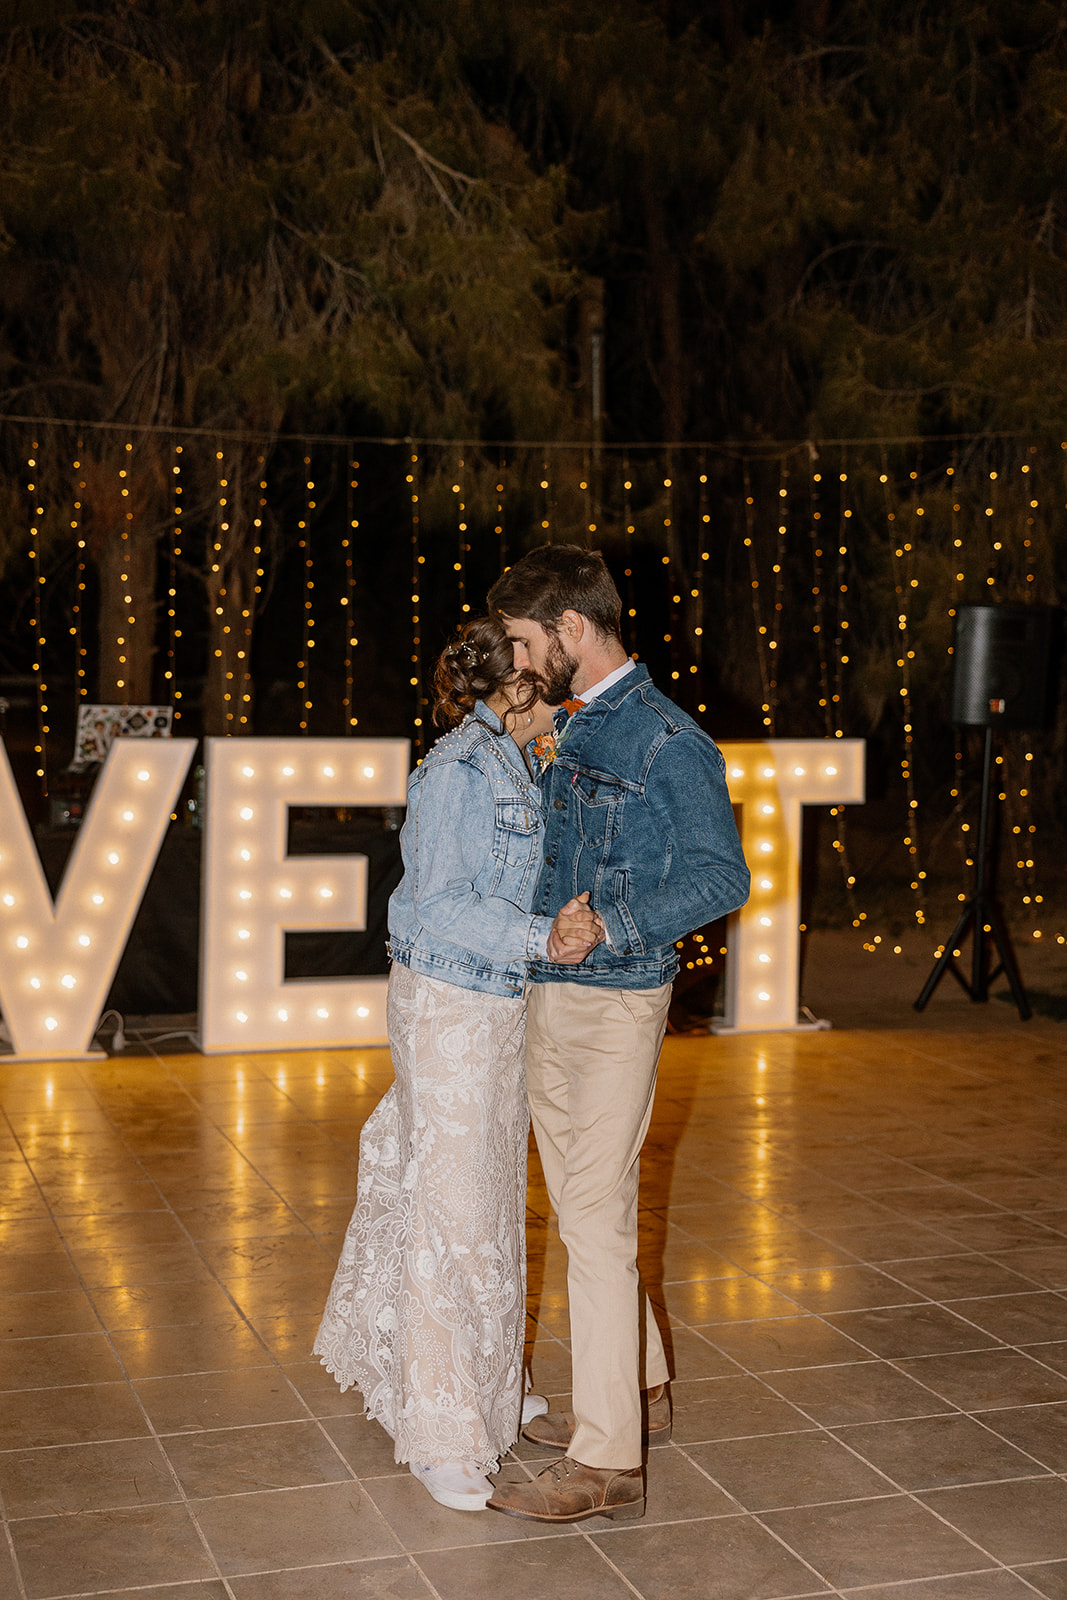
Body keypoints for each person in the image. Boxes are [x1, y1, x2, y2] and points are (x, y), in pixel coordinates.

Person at [484, 544, 750, 1525]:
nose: (514, 661)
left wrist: (618, 921)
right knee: (582, 1207)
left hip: (614, 1001)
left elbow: (722, 877)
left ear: (573, 632)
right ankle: (637, 1389)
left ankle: (609, 1460)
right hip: (551, 992)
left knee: (591, 1220)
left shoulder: (664, 741)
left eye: (523, 641)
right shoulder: (572, 722)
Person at [313, 614, 602, 1514]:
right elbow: (434, 905)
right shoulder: (456, 771)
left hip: (491, 1001)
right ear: (515, 684)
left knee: (474, 1194)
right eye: (545, 671)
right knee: (454, 1204)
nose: (559, 680)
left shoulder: (513, 758)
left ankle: (480, 1382)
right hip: (448, 1002)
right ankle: (441, 1429)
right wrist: (539, 936)